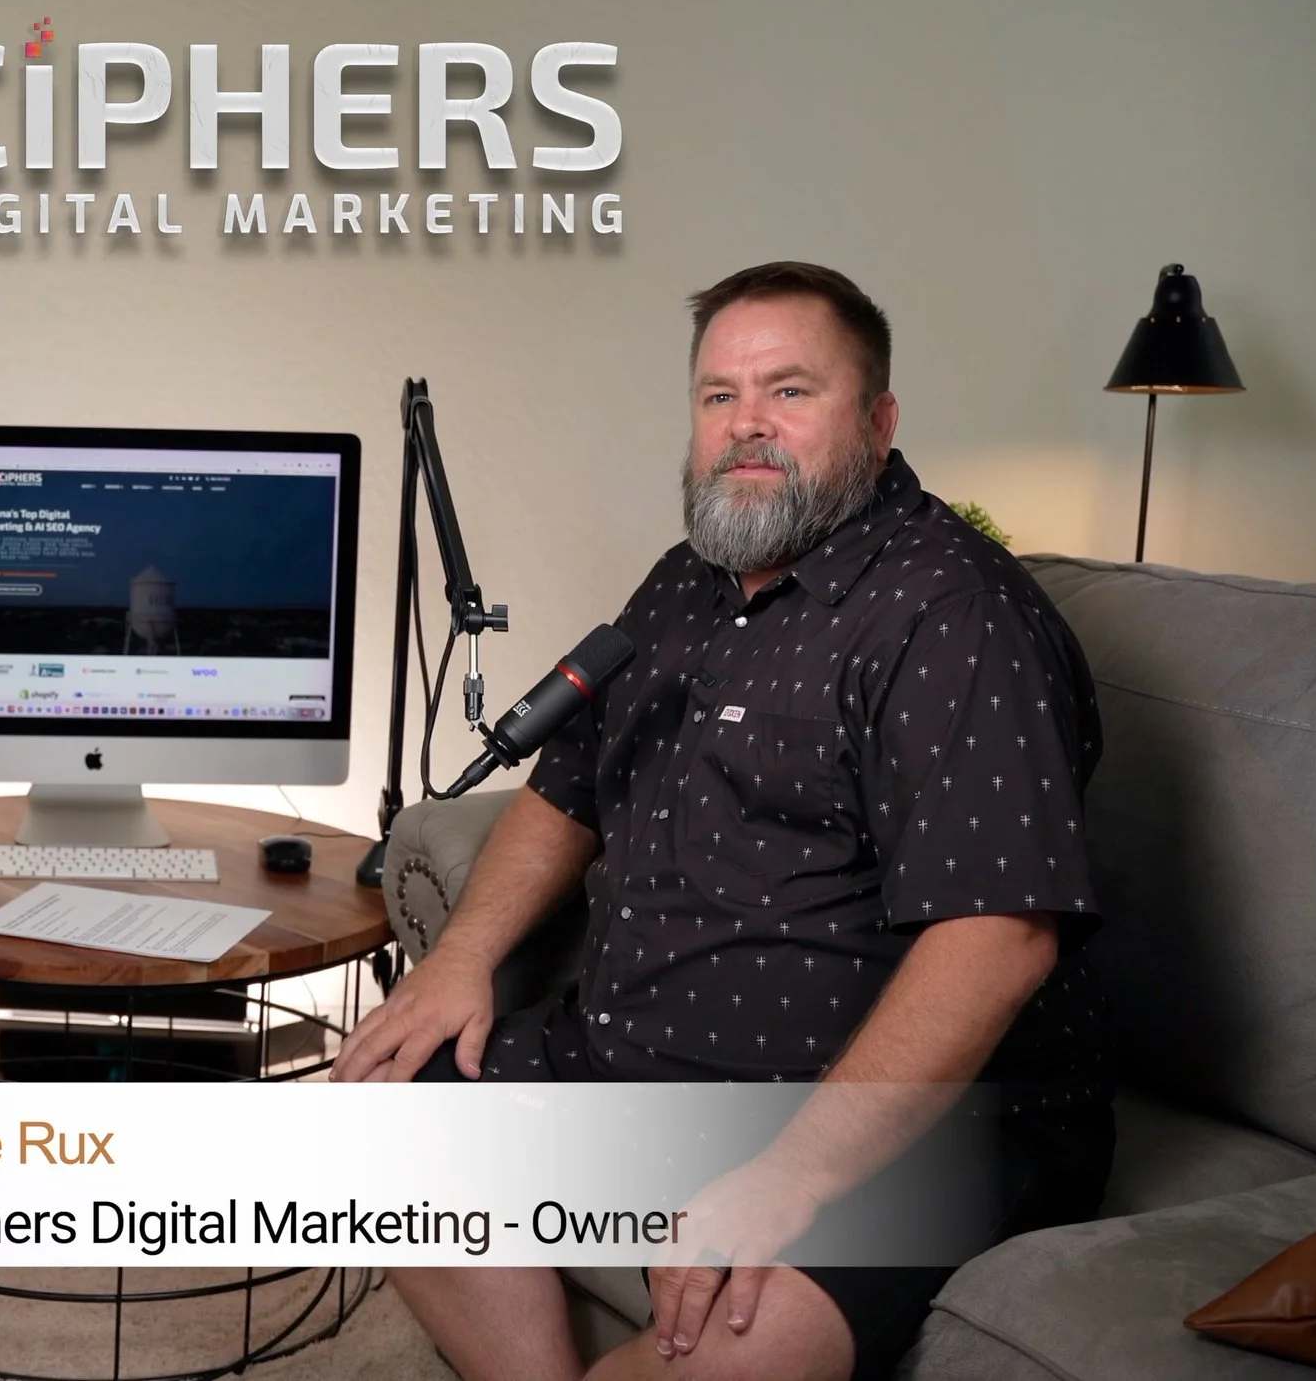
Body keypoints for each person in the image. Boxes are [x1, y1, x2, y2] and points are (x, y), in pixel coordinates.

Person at [332, 262, 1112, 1381]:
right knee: (364, 1117)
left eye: (790, 391)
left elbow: (999, 937)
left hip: (887, 1130)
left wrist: (791, 1173)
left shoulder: (952, 617)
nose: (747, 425)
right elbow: (568, 788)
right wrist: (458, 957)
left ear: (879, 420)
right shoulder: (688, 580)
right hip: (635, 1067)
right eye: (718, 396)